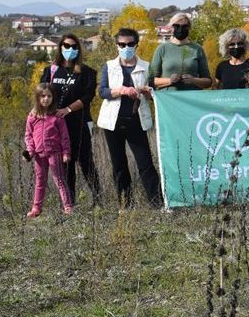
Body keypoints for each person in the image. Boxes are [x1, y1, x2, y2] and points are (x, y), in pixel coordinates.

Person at [96, 28, 163, 208]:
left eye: (130, 44)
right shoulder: (109, 66)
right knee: (119, 165)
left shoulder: (147, 67)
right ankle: (126, 206)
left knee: (145, 164)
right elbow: (102, 91)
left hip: (137, 120)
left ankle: (157, 204)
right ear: (117, 46)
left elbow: (153, 93)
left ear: (136, 45)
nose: (127, 47)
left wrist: (147, 92)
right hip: (113, 122)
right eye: (122, 44)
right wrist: (121, 91)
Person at [40, 33, 101, 206]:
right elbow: (41, 94)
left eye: (74, 47)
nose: (70, 50)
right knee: (65, 164)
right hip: (56, 125)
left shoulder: (87, 72)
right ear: (60, 47)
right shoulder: (50, 71)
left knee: (85, 161)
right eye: (67, 46)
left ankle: (98, 199)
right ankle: (70, 203)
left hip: (79, 122)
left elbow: (88, 96)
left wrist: (68, 109)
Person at [23, 83, 73, 218]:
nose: (46, 99)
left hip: (55, 153)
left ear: (53, 98)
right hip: (39, 155)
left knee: (60, 180)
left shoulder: (57, 117)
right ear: (38, 98)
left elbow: (64, 136)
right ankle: (36, 208)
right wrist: (30, 151)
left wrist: (66, 153)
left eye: (49, 96)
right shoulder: (32, 117)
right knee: (40, 181)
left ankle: (68, 206)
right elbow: (28, 135)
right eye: (43, 96)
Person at [150, 12, 212, 91]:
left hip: (192, 99)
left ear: (189, 28)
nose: (180, 29)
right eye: (177, 26)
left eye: (184, 26)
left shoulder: (198, 49)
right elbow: (151, 80)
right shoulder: (162, 49)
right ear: (171, 27)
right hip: (168, 99)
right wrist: (169, 81)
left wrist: (194, 80)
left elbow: (208, 81)